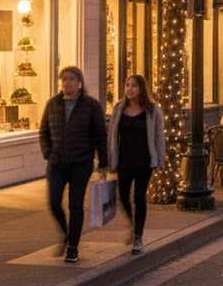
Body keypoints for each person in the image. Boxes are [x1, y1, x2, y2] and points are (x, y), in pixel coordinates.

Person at [39, 66, 107, 264]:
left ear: (79, 83)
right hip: (56, 163)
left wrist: (103, 162)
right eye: (64, 79)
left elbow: (100, 136)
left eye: (71, 79)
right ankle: (65, 232)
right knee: (53, 202)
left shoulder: (91, 105)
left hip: (81, 163)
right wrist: (47, 152)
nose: (67, 83)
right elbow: (43, 132)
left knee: (75, 204)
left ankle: (73, 247)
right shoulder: (53, 104)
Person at [107, 74, 166, 255]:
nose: (129, 89)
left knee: (139, 197)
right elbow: (112, 135)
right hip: (124, 160)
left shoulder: (152, 110)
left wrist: (160, 159)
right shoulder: (119, 108)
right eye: (127, 85)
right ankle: (134, 225)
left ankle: (138, 237)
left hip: (144, 161)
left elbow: (158, 137)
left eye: (133, 85)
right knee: (122, 196)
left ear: (142, 89)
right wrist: (110, 159)